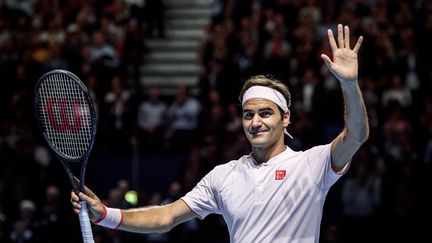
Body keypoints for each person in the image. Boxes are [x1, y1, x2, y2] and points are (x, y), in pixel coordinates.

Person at [71, 24, 368, 243]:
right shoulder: (223, 176)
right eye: (248, 114)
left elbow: (355, 136)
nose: (255, 122)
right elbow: (165, 217)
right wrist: (104, 214)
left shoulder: (311, 165)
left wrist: (349, 84)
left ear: (285, 117)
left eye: (265, 113)